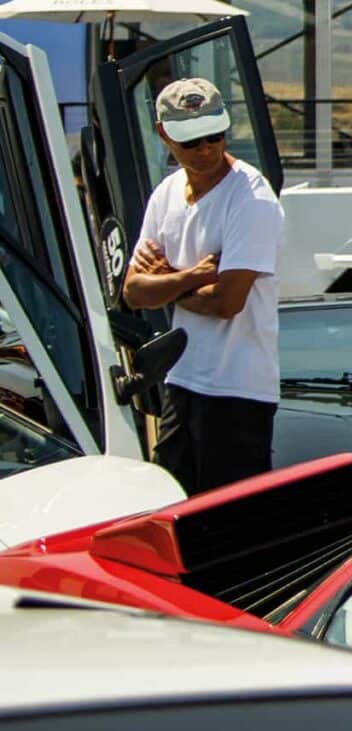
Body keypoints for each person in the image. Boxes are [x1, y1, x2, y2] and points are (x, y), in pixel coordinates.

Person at [118, 79, 287, 495]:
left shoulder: (252, 197)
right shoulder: (166, 194)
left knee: (226, 527)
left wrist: (167, 280)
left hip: (239, 389)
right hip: (182, 379)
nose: (207, 149)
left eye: (215, 135)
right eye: (192, 140)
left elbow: (229, 301)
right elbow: (133, 292)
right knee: (171, 509)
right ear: (164, 134)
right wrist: (192, 276)